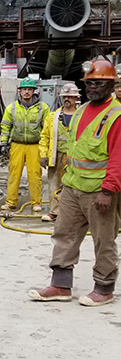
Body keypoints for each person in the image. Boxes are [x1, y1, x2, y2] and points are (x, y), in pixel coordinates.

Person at [29, 59, 121, 306]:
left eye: (98, 83)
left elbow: (118, 157)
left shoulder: (116, 116)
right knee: (64, 235)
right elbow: (74, 149)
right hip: (72, 187)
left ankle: (104, 288)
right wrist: (64, 183)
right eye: (89, 83)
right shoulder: (81, 111)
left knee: (103, 240)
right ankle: (60, 285)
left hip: (99, 191)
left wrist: (108, 190)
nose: (92, 87)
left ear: (112, 85)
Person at [0, 77, 50, 212]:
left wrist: (46, 148)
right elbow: (5, 126)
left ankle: (36, 203)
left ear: (34, 91)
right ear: (20, 91)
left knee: (35, 175)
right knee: (14, 174)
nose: (27, 92)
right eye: (24, 89)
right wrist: (4, 143)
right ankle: (10, 202)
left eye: (29, 89)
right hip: (17, 145)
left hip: (35, 145)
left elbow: (47, 129)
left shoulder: (42, 108)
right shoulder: (12, 108)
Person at [38, 83, 80, 222]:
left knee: (74, 185)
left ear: (76, 98)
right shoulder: (52, 116)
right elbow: (45, 136)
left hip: (76, 157)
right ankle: (54, 212)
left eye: (70, 97)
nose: (67, 99)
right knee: (54, 184)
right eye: (65, 96)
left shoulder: (82, 116)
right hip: (56, 156)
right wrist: (43, 154)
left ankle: (74, 213)